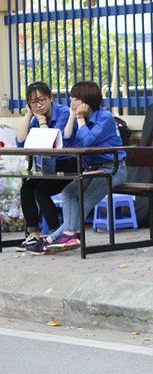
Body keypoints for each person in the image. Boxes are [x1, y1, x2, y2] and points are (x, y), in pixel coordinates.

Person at [26, 81, 127, 255]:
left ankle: (52, 238)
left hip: (113, 169)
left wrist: (79, 119)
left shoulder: (104, 117)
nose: (71, 103)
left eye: (76, 99)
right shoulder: (82, 117)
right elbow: (67, 141)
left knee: (84, 202)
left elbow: (87, 141)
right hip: (93, 169)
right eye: (71, 99)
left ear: (87, 101)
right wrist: (73, 118)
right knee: (68, 193)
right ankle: (66, 235)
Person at [14, 82, 75, 251]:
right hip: (49, 167)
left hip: (69, 164)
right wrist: (28, 116)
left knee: (41, 190)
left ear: (51, 98)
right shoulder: (35, 117)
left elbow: (50, 143)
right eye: (33, 102)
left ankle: (55, 235)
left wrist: (41, 122)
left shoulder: (63, 113)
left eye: (41, 99)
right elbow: (20, 143)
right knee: (27, 188)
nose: (38, 105)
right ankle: (33, 235)